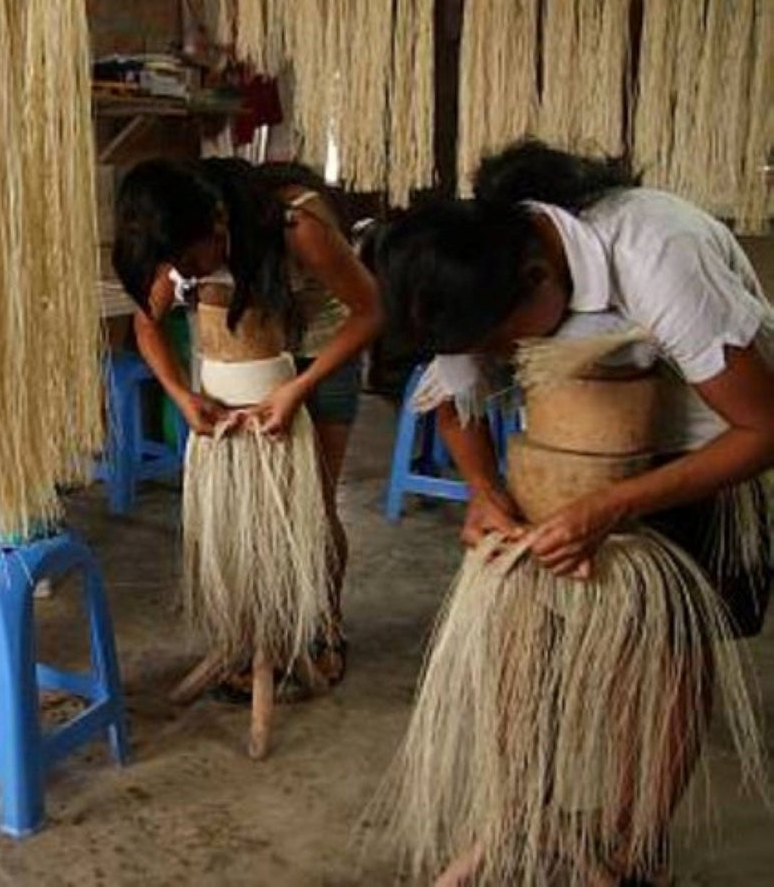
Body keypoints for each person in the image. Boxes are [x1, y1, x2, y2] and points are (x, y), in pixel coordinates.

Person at [374, 139, 774, 884]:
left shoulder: (659, 251)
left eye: (502, 340)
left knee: (659, 666)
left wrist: (613, 507)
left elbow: (763, 428)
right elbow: (454, 404)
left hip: (701, 461)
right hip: (563, 461)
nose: (498, 354)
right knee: (518, 639)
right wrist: (484, 496)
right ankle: (517, 818)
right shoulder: (479, 267)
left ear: (536, 274)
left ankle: (630, 850)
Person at [113, 157, 382, 718]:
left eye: (189, 263)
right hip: (247, 357)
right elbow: (146, 322)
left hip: (320, 355)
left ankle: (322, 630)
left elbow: (369, 311)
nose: (183, 274)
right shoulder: (179, 240)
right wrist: (181, 395)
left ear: (217, 226)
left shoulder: (295, 224)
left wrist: (298, 388)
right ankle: (253, 639)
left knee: (312, 508)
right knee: (248, 516)